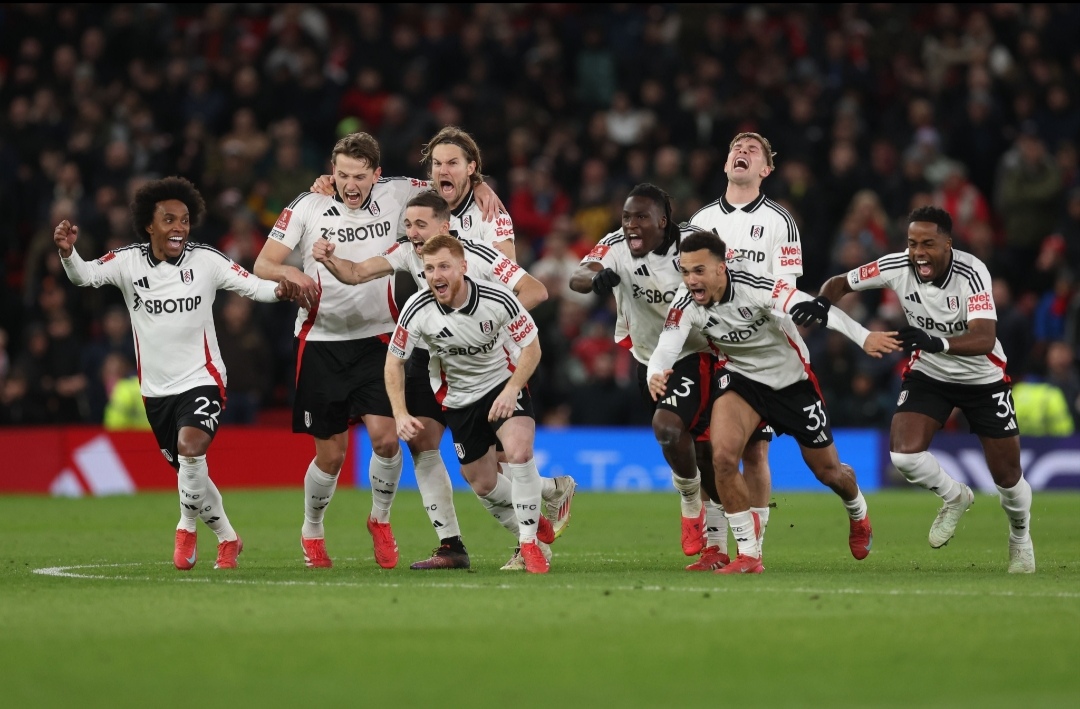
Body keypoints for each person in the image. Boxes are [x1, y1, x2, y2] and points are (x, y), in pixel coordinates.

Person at [254, 131, 504, 570]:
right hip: (320, 341)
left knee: (388, 441)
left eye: (360, 175)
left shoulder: (399, 193)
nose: (351, 184)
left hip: (381, 339)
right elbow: (263, 263)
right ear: (331, 172)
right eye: (342, 174)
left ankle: (380, 519)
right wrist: (296, 277)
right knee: (330, 456)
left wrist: (480, 184)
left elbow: (448, 187)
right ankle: (312, 528)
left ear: (377, 175)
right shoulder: (306, 205)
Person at [312, 191, 575, 569]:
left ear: (445, 226)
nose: (413, 233)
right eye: (408, 225)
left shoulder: (481, 259)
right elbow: (355, 274)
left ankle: (531, 533)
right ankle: (453, 544)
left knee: (510, 457)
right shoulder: (409, 261)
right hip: (437, 360)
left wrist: (486, 326)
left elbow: (535, 290)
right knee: (434, 449)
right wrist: (328, 257)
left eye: (421, 225)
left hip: (492, 362)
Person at [53, 176, 301, 570]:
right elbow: (84, 276)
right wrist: (69, 254)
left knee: (191, 448)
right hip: (155, 392)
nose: (179, 228)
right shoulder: (127, 262)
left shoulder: (206, 259)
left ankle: (185, 528)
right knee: (193, 475)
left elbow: (253, 286)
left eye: (185, 220)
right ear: (149, 225)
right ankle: (228, 538)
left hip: (203, 379)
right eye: (169, 220)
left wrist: (281, 289)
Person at [802, 205, 1037, 573]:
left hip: (982, 378)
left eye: (928, 243)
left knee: (1007, 478)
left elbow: (984, 337)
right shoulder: (896, 266)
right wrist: (821, 304)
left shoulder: (972, 273)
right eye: (913, 243)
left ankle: (1020, 538)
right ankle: (954, 495)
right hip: (931, 372)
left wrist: (936, 340)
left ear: (948, 243)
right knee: (904, 456)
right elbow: (839, 282)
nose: (918, 252)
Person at [647, 230, 900, 573]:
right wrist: (656, 373)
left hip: (791, 383)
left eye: (699, 271)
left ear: (722, 268)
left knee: (828, 472)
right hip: (740, 380)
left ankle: (858, 511)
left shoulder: (756, 285)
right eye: (686, 272)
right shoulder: (686, 302)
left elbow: (813, 307)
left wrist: (864, 336)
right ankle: (749, 556)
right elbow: (667, 345)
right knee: (722, 458)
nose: (691, 281)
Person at [569, 183, 725, 570]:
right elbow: (579, 275)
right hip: (645, 358)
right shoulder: (616, 245)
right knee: (693, 449)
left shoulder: (693, 244)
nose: (631, 225)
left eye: (640, 217)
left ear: (663, 220)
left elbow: (727, 277)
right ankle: (716, 547)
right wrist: (595, 280)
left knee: (672, 431)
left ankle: (692, 506)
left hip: (695, 354)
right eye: (626, 217)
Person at [387, 234, 552, 572]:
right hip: (459, 400)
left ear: (463, 267)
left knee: (519, 453)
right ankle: (535, 513)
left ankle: (529, 542)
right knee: (483, 483)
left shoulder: (498, 299)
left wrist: (512, 389)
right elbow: (393, 362)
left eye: (444, 266)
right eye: (429, 268)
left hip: (502, 386)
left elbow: (532, 348)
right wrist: (400, 413)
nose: (436, 275)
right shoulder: (417, 309)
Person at [686, 131, 803, 560]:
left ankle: (755, 545)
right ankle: (716, 546)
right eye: (736, 147)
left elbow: (786, 291)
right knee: (709, 448)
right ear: (725, 164)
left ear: (765, 170)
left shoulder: (779, 221)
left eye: (753, 150)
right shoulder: (700, 221)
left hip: (758, 350)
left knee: (754, 450)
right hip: (710, 347)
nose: (742, 152)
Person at [311, 125, 518, 260]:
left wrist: (479, 184)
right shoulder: (414, 194)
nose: (443, 170)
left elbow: (511, 277)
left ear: (470, 168)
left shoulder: (489, 212)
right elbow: (362, 179)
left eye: (453, 163)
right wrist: (331, 181)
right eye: (437, 163)